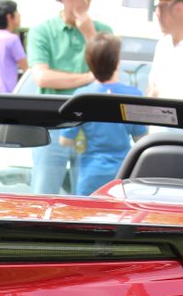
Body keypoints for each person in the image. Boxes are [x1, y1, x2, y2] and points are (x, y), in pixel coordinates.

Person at [26, 0, 111, 194]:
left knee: (92, 198)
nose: (82, 4)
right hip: (52, 123)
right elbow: (42, 77)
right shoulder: (42, 31)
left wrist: (90, 35)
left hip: (92, 125)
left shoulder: (102, 32)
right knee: (44, 194)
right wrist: (87, 78)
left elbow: (109, 77)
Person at [57, 33, 146, 196]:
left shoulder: (82, 95)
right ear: (117, 62)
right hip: (123, 174)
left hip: (90, 173)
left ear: (90, 64)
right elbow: (140, 138)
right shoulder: (133, 95)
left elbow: (65, 140)